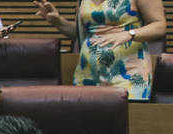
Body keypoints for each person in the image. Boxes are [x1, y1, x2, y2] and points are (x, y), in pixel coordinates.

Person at [34, 1, 167, 100]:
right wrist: (59, 22)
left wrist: (129, 34)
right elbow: (83, 35)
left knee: (127, 127)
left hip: (128, 74)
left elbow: (159, 25)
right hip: (87, 74)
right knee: (89, 130)